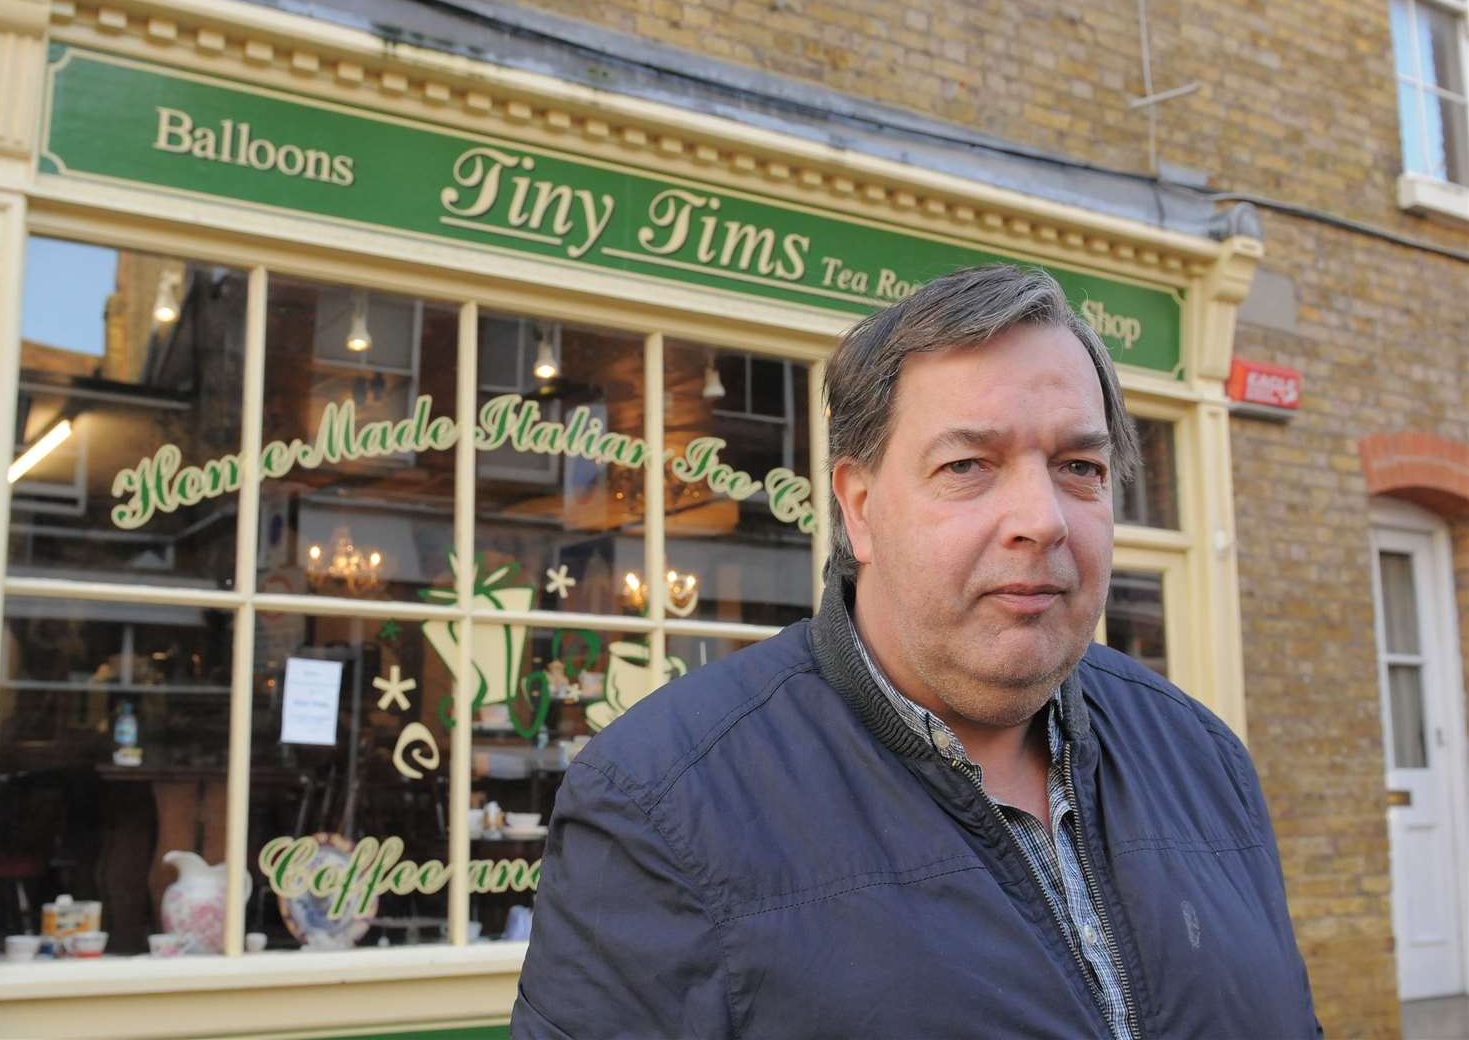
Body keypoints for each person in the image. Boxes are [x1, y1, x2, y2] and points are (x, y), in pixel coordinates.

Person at [512, 264, 1320, 1039]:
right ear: (860, 509)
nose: (1042, 518)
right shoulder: (659, 805)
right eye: (968, 465)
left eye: (1080, 466)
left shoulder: (1205, 759)